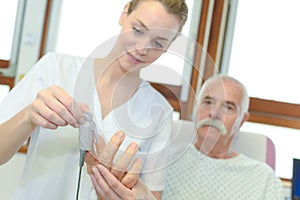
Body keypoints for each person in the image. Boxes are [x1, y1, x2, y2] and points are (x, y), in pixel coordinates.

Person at [0, 0, 188, 199]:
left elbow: (151, 195)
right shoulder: (55, 68)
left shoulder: (159, 112)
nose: (142, 48)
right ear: (124, 13)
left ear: (169, 46)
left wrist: (130, 192)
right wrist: (29, 116)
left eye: (158, 43)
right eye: (138, 30)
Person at [90, 74, 283, 199]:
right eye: (208, 101)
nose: (214, 113)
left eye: (228, 107)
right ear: (196, 108)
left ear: (242, 120)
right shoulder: (161, 162)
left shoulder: (263, 178)